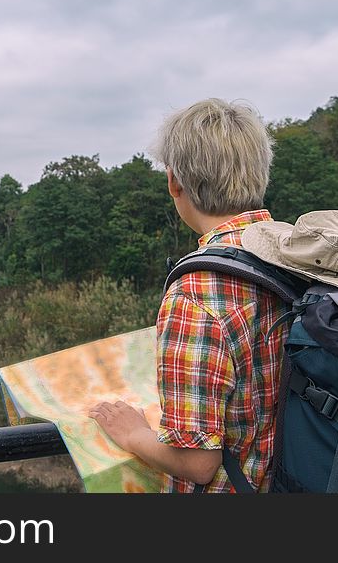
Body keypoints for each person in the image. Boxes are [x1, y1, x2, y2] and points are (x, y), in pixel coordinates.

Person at [89, 98, 288, 492]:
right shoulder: (296, 251)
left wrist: (132, 434)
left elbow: (197, 463)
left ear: (173, 181)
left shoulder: (195, 295)